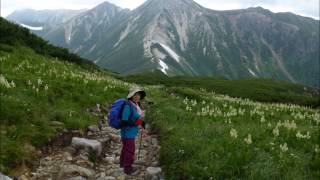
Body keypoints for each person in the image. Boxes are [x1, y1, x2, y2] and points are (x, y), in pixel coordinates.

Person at [120, 86, 147, 175]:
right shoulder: (128, 105)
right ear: (131, 95)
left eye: (139, 95)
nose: (138, 96)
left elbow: (134, 118)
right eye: (136, 94)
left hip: (130, 132)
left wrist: (141, 123)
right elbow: (125, 120)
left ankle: (123, 164)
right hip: (127, 132)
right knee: (130, 149)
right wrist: (136, 123)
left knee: (126, 148)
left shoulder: (135, 105)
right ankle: (128, 168)